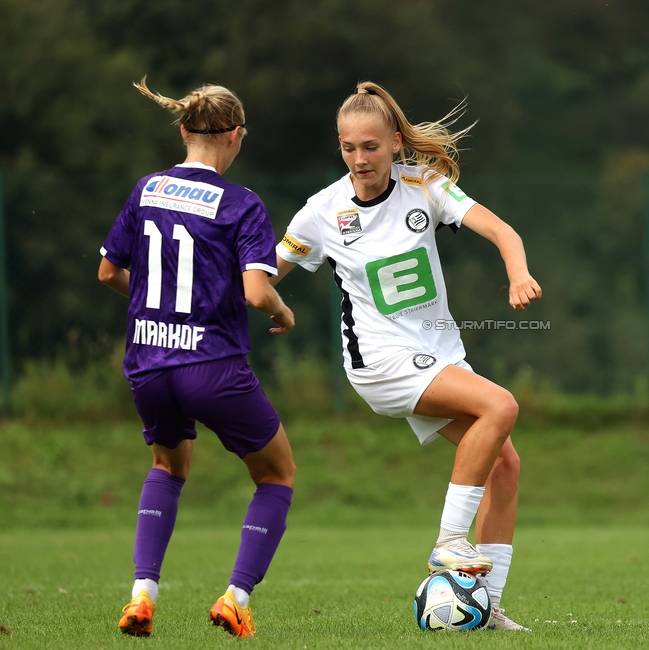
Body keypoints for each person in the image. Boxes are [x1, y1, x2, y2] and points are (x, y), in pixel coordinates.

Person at [273, 82, 540, 630]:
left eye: (370, 146)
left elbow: (502, 230)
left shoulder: (424, 184)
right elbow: (265, 275)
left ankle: (483, 606)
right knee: (501, 406)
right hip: (379, 362)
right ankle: (448, 542)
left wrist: (518, 273)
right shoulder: (321, 211)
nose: (359, 158)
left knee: (506, 465)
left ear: (395, 143)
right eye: (348, 148)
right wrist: (257, 301)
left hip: (434, 353)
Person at [99, 78, 297, 638]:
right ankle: (235, 597)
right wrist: (282, 312)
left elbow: (108, 272)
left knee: (166, 467)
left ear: (183, 129)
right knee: (277, 475)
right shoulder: (243, 203)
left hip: (148, 362)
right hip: (213, 364)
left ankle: (141, 596)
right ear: (237, 137)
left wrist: (149, 302)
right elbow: (258, 292)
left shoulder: (146, 190)